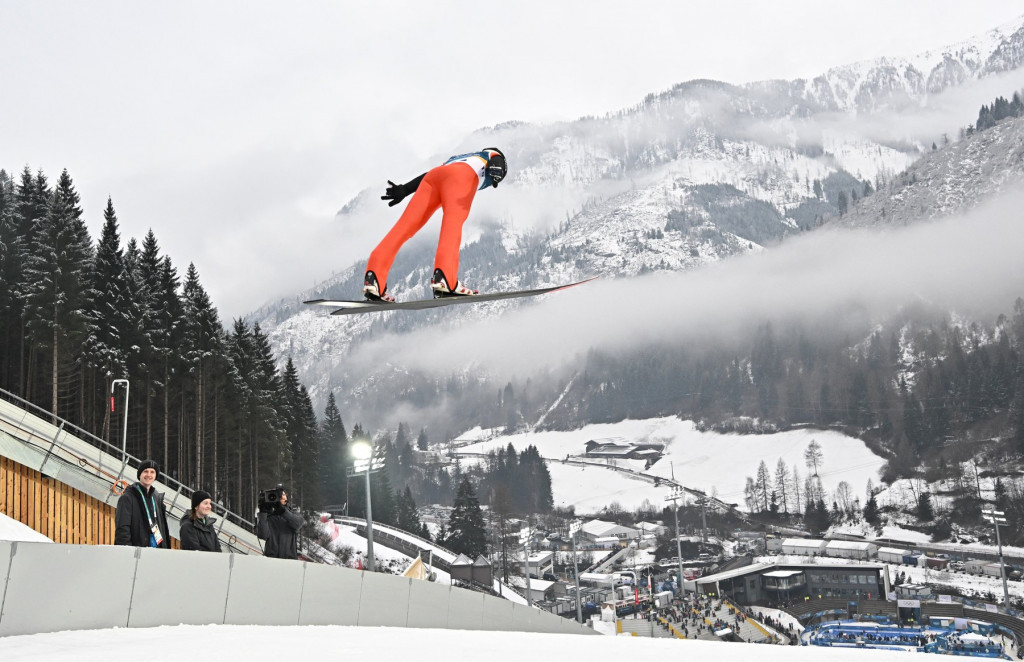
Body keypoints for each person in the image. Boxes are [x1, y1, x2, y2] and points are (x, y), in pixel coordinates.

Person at [362, 147, 508, 302]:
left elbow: (436, 174)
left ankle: (374, 278)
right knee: (452, 223)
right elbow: (496, 157)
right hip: (460, 177)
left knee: (404, 227)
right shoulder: (487, 155)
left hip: (434, 177)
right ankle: (446, 279)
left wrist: (405, 189)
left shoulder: (459, 157)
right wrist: (498, 165)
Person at [114, 459, 171, 548]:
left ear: (155, 476)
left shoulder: (156, 498)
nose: (149, 475)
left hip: (157, 550)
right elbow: (122, 529)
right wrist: (127, 553)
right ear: (139, 474)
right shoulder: (127, 498)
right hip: (137, 554)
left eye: (152, 472)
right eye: (145, 471)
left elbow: (162, 528)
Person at [255, 488, 303, 559]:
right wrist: (262, 512)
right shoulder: (269, 517)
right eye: (278, 495)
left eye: (283, 494)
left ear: (287, 498)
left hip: (290, 560)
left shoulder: (294, 515)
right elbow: (263, 535)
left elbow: (298, 524)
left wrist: (283, 511)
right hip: (271, 559)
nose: (281, 497)